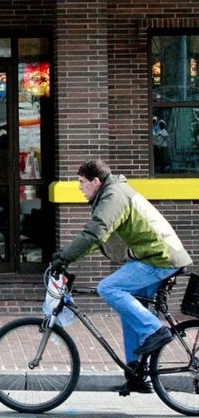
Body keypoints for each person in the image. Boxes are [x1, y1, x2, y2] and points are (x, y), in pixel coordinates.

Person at [50, 159, 192, 395]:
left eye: (82, 182)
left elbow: (95, 232)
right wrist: (68, 255)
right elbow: (98, 236)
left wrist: (64, 257)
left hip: (160, 258)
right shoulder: (112, 192)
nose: (79, 187)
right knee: (129, 306)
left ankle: (155, 330)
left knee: (108, 288)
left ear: (96, 181)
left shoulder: (113, 195)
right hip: (154, 256)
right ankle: (135, 373)